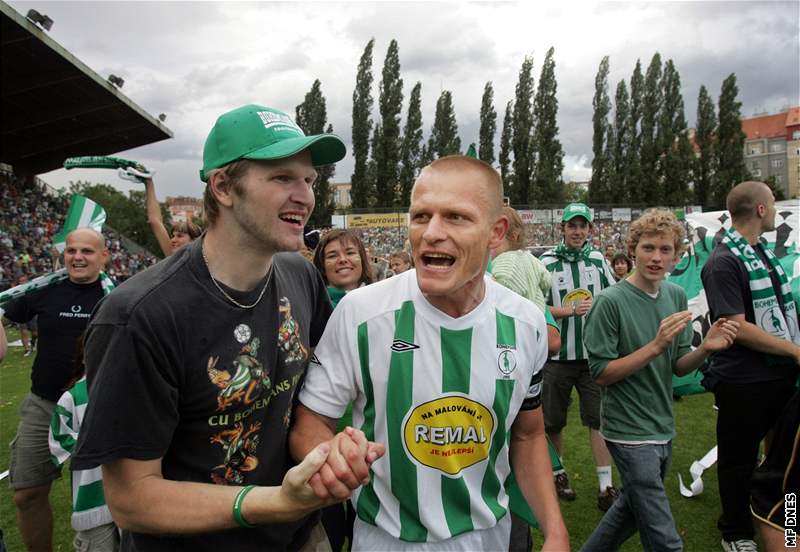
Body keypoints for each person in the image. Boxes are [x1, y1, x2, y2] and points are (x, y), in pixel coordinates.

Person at [71, 104, 382, 551]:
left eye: (309, 180)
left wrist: (331, 451)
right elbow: (131, 498)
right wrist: (272, 502)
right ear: (223, 186)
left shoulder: (300, 275)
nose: (306, 196)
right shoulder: (138, 317)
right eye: (282, 178)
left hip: (300, 535)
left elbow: (311, 398)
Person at [291, 156, 569, 551]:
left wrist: (555, 530)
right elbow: (310, 420)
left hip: (491, 537)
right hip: (387, 540)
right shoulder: (361, 314)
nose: (431, 233)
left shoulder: (526, 323)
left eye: (456, 217)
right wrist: (330, 453)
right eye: (421, 216)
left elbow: (528, 434)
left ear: (496, 232)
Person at [581, 209, 739, 552]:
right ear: (632, 249)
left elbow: (680, 367)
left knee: (630, 512)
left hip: (662, 425)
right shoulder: (609, 302)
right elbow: (601, 373)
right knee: (665, 539)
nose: (656, 257)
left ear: (677, 256)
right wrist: (654, 347)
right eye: (648, 248)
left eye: (665, 250)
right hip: (627, 430)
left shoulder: (675, 296)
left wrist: (706, 347)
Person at [700, 181, 800, 552]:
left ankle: (786, 524)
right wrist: (794, 350)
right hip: (745, 382)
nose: (775, 210)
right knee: (739, 461)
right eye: (772, 203)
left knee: (784, 464)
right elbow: (735, 326)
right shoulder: (723, 260)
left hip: (781, 377)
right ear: (760, 209)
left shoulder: (763, 254)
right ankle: (737, 532)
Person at [1, 228, 109, 552]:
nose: (77, 257)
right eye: (72, 250)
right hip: (43, 404)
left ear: (104, 256)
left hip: (97, 408)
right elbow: (5, 312)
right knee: (27, 493)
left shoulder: (115, 293)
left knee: (103, 497)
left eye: (87, 251)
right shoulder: (45, 289)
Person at [539, 203, 619, 510]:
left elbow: (614, 297)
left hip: (593, 358)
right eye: (572, 226)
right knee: (553, 423)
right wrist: (569, 311)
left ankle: (605, 486)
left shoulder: (598, 259)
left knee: (598, 421)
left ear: (589, 229)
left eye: (582, 226)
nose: (577, 231)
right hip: (557, 359)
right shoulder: (546, 261)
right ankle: (558, 475)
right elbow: (536, 307)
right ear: (562, 229)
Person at [49, 338, 120, 552]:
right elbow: (59, 437)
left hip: (134, 493)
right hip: (92, 496)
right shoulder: (73, 397)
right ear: (85, 356)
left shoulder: (134, 388)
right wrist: (95, 444)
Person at [313, 229, 374, 308]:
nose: (342, 259)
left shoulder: (382, 301)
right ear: (322, 265)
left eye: (350, 253)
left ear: (362, 259)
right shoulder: (313, 308)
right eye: (332, 256)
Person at [144, 176, 202, 257]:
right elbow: (154, 220)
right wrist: (149, 182)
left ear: (194, 241)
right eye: (173, 236)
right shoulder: (173, 257)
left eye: (179, 236)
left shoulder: (207, 263)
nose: (173, 240)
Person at [13, 275, 38, 357]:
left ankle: (33, 343)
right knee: (24, 332)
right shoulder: (16, 291)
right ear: (19, 282)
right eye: (21, 281)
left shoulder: (32, 289)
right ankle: (26, 349)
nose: (23, 282)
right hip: (20, 314)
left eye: (25, 280)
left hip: (32, 314)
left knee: (35, 333)